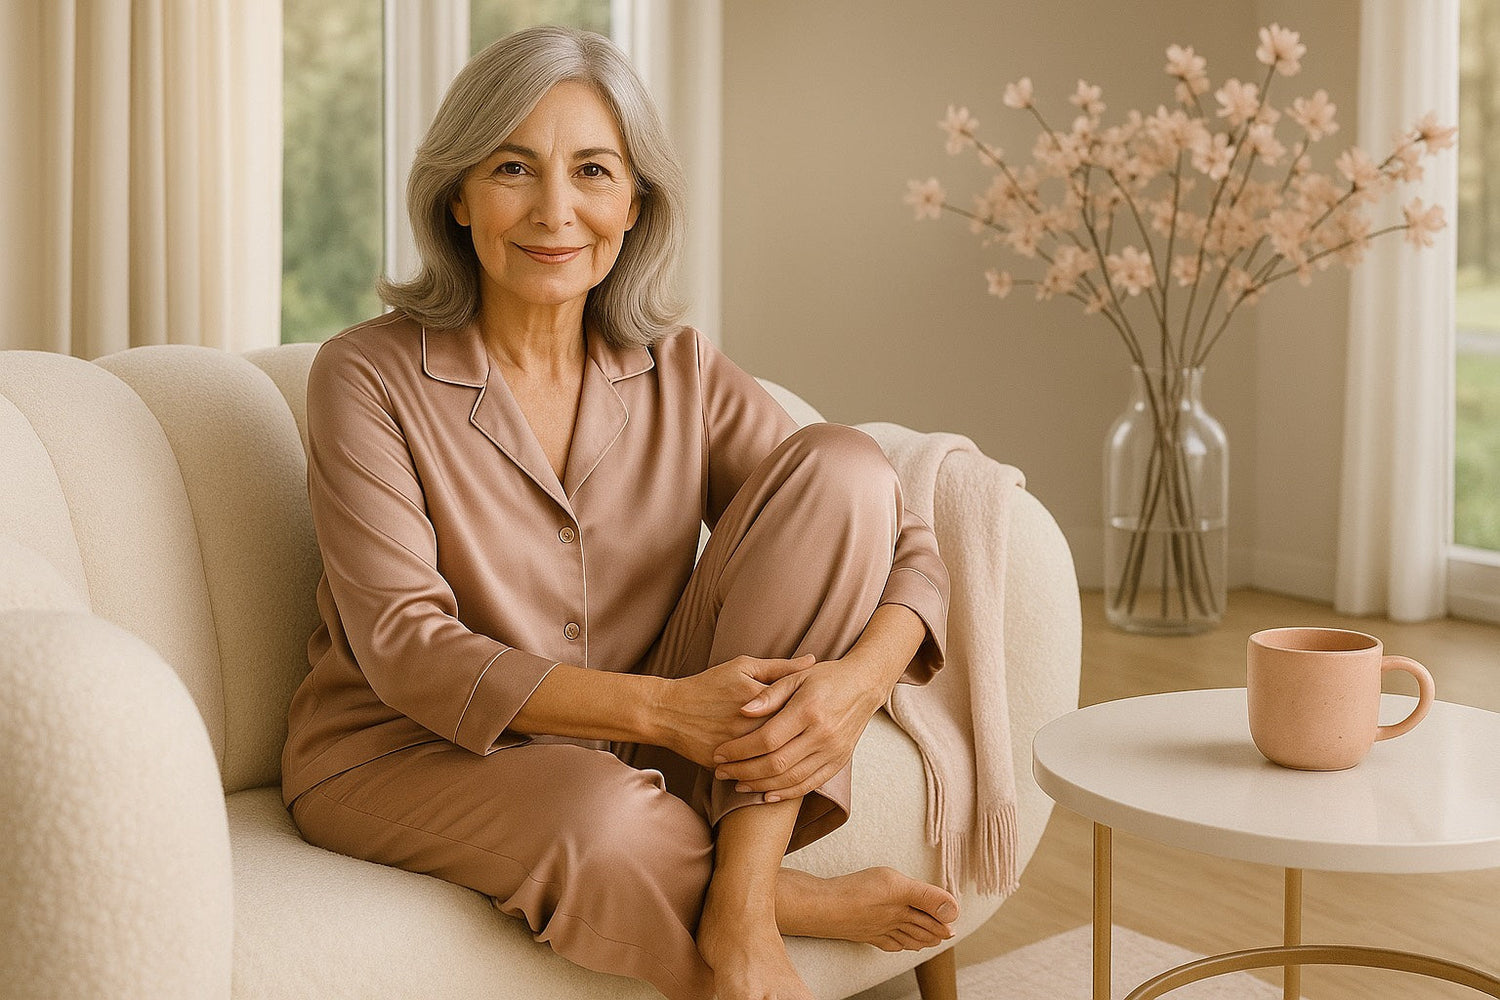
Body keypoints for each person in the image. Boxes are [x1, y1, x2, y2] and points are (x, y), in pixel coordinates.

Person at [281, 24, 958, 1000]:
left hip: (635, 743)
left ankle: (743, 899)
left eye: (593, 171)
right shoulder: (367, 375)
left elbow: (895, 533)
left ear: (635, 204)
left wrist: (853, 685)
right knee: (604, 819)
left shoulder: (679, 367)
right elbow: (404, 644)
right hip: (399, 752)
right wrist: (671, 710)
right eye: (514, 166)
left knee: (846, 467)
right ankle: (786, 905)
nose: (556, 210)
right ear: (458, 196)